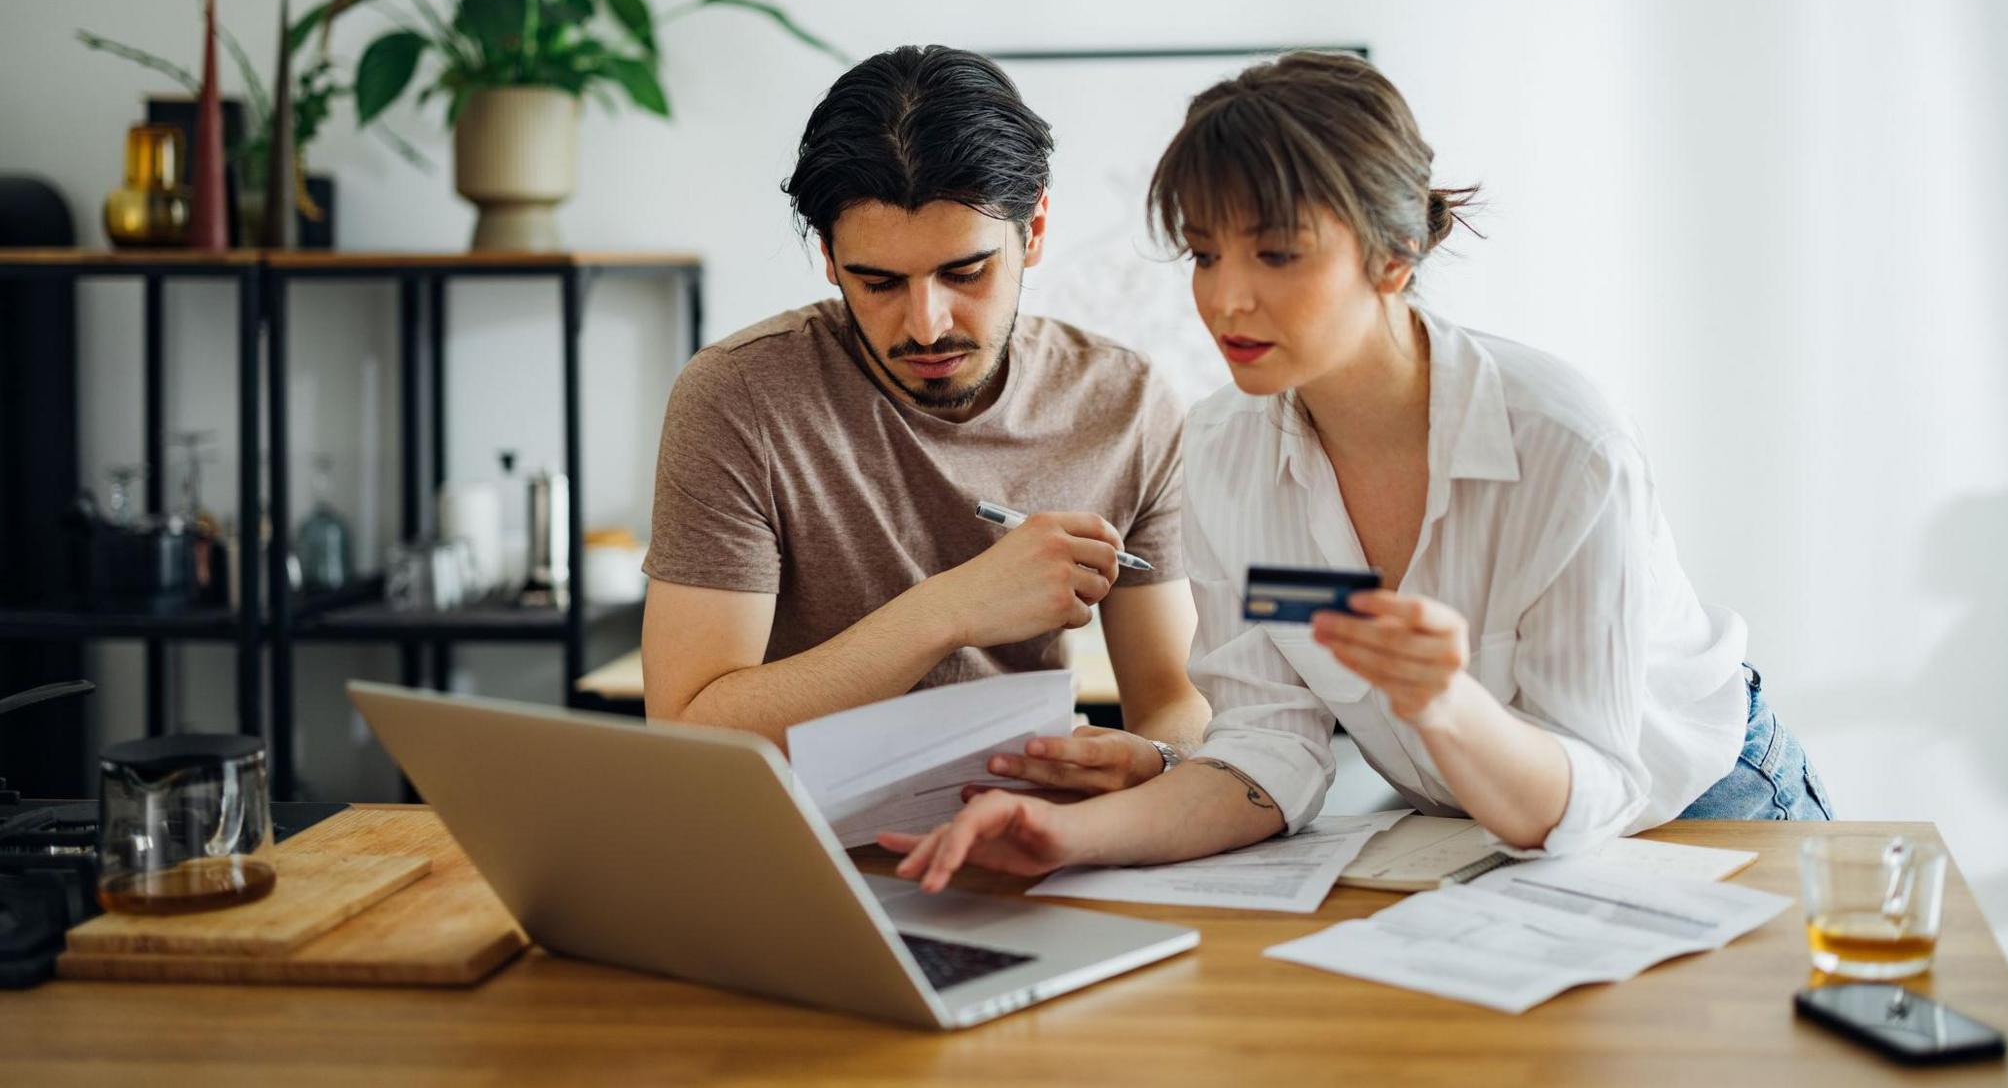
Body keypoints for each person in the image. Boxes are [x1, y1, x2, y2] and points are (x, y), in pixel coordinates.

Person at [883, 51, 1831, 892]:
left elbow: (1594, 787)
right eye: (1205, 254)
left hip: (1703, 811)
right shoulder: (1220, 445)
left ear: (1396, 252)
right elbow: (1268, 752)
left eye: (1278, 253)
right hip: (1472, 838)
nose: (1225, 297)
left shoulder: (1564, 445)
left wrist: (1445, 701)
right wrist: (1066, 833)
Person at [640, 45, 1209, 789]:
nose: (927, 324)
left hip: (1030, 838)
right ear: (828, 256)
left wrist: (1154, 757)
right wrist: (952, 608)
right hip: (802, 853)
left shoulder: (1125, 405)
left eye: (965, 272)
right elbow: (688, 731)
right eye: (876, 281)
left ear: (1034, 230)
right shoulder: (738, 397)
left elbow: (1172, 698)